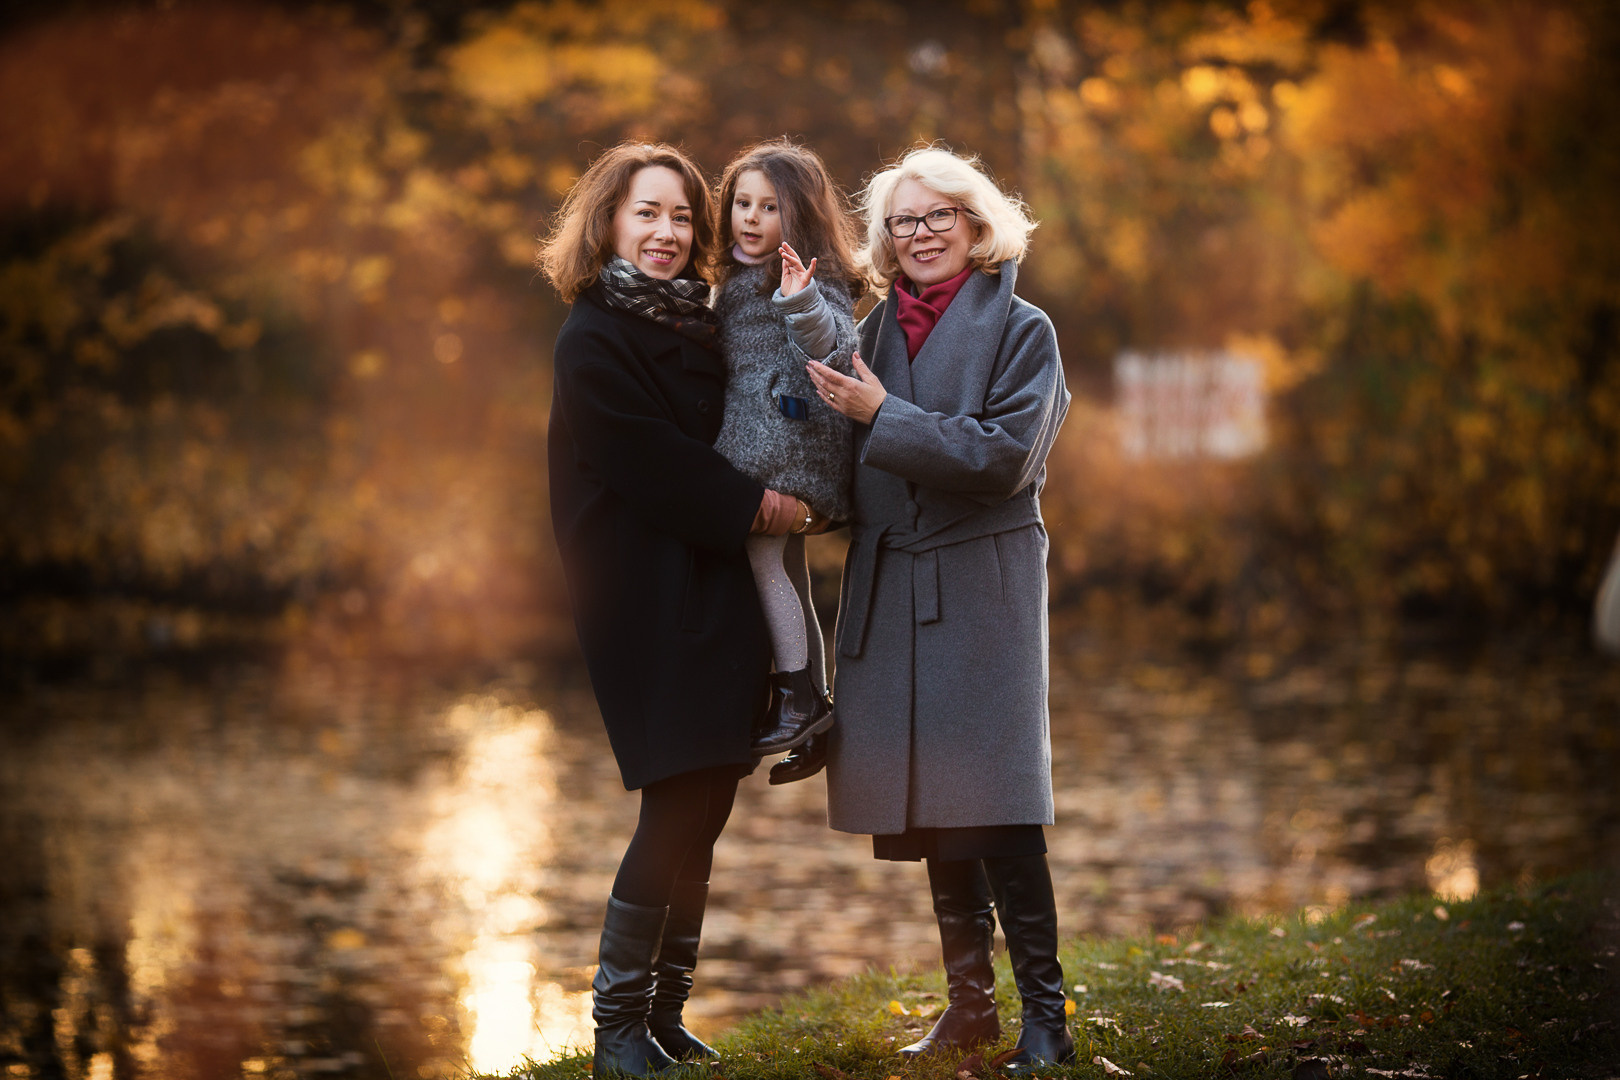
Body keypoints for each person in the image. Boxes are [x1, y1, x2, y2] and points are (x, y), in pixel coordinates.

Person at [538, 141, 811, 1078]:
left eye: (682, 216)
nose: (667, 233)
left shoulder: (696, 321)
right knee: (673, 802)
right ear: (609, 221)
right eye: (646, 213)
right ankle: (615, 1027)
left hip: (711, 579)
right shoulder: (594, 336)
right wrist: (759, 505)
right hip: (643, 594)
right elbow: (651, 464)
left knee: (710, 800)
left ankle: (663, 1013)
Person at [805, 146, 1074, 1070]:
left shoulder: (1023, 329)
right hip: (892, 582)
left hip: (980, 581)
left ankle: (1048, 1017)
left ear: (975, 224)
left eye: (936, 218)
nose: (918, 236)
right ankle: (970, 1007)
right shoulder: (868, 334)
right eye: (901, 223)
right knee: (932, 804)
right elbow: (839, 464)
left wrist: (885, 417)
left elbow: (1004, 461)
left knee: (996, 803)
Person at [709, 139, 862, 774]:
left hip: (787, 446)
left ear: (796, 218)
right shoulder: (737, 280)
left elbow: (836, 343)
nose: (750, 218)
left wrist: (799, 298)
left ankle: (796, 694)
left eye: (768, 207)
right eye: (741, 203)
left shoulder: (808, 278)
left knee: (762, 555)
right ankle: (814, 704)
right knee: (785, 568)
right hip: (772, 442)